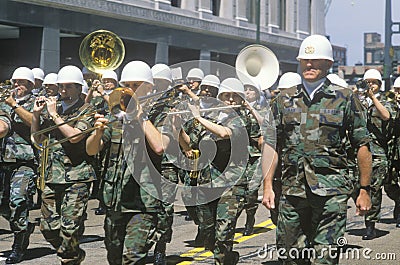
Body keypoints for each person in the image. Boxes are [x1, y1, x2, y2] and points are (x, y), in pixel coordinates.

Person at [262, 34, 372, 265]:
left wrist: (364, 190)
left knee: (325, 258)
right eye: (305, 60)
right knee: (290, 257)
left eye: (316, 60)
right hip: (292, 192)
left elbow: (362, 144)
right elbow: (272, 144)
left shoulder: (345, 98)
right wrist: (268, 185)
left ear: (329, 64)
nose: (309, 65)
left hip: (331, 192)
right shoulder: (283, 99)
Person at [86, 60, 175, 264]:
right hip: (115, 200)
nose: (131, 90)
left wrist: (140, 114)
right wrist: (97, 131)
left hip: (143, 202)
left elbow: (160, 146)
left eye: (137, 85)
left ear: (149, 87)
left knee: (133, 258)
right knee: (114, 257)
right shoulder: (116, 115)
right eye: (127, 84)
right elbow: (92, 150)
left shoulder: (163, 114)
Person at [32, 65, 96, 264]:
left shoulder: (87, 109)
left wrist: (54, 116)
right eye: (61, 87)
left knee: (69, 229)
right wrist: (36, 115)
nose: (63, 91)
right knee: (48, 227)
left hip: (77, 176)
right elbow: (37, 138)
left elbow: (75, 137)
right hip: (52, 175)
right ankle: (74, 255)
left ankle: (69, 258)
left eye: (69, 87)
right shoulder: (56, 108)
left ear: (79, 88)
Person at [0, 67, 37, 264]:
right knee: (2, 205)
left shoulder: (36, 102)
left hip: (25, 162)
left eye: (21, 82)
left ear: (31, 84)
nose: (16, 85)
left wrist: (14, 105)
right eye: (14, 82)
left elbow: (35, 123)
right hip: (3, 161)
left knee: (18, 202)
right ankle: (23, 227)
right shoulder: (4, 102)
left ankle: (18, 246)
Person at [355, 69, 394, 240]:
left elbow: (386, 116)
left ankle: (370, 225)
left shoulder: (385, 101)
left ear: (380, 84)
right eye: (367, 82)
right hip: (358, 152)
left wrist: (372, 98)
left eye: (374, 82)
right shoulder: (357, 101)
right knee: (357, 187)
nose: (371, 85)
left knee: (374, 189)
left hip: (377, 152)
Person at [385, 76, 400, 228]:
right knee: (389, 184)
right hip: (392, 151)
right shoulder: (390, 103)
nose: (397, 93)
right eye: (396, 90)